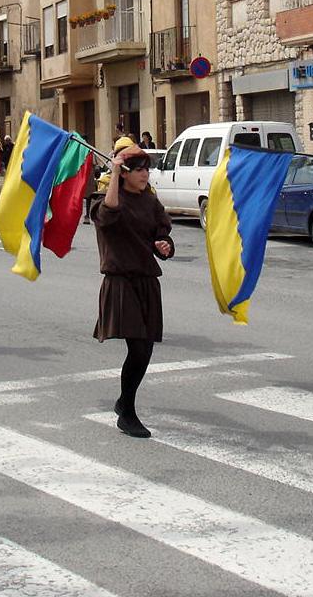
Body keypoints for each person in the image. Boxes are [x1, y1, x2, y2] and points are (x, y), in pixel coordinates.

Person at [90, 144, 174, 438]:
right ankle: (127, 413)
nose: (145, 174)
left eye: (147, 169)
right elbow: (109, 212)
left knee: (145, 349)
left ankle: (124, 402)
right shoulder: (108, 199)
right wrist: (114, 171)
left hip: (146, 280)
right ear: (125, 173)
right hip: (120, 280)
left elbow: (161, 234)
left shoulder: (150, 202)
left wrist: (164, 246)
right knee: (137, 347)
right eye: (138, 169)